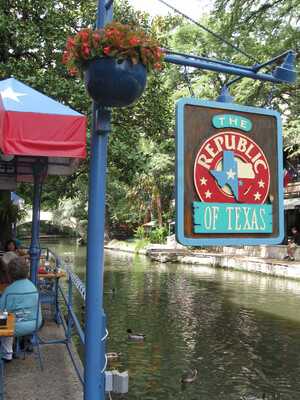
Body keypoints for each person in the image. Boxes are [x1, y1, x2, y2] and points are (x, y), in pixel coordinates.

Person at [0, 258, 42, 361]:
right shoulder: (32, 286)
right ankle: (24, 344)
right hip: (35, 323)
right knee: (9, 318)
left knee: (4, 320)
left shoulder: (10, 290)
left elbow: (2, 310)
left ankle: (7, 354)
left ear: (10, 273)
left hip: (15, 327)